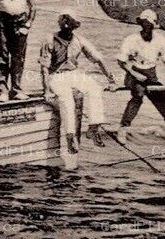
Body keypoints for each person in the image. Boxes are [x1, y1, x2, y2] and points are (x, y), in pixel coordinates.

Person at [38, 12, 116, 153]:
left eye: (70, 24)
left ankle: (93, 128)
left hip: (73, 73)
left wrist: (111, 80)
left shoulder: (79, 40)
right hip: (55, 75)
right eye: (65, 23)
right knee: (67, 99)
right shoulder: (50, 39)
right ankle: (70, 136)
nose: (67, 26)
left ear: (74, 26)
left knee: (95, 89)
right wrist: (47, 90)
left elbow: (98, 60)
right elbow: (44, 67)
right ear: (61, 24)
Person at [116, 9, 165, 148]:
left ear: (153, 26)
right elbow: (121, 62)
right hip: (133, 74)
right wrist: (136, 75)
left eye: (149, 24)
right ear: (141, 24)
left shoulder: (161, 40)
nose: (146, 27)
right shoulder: (131, 40)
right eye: (144, 24)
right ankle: (123, 128)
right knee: (138, 95)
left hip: (151, 77)